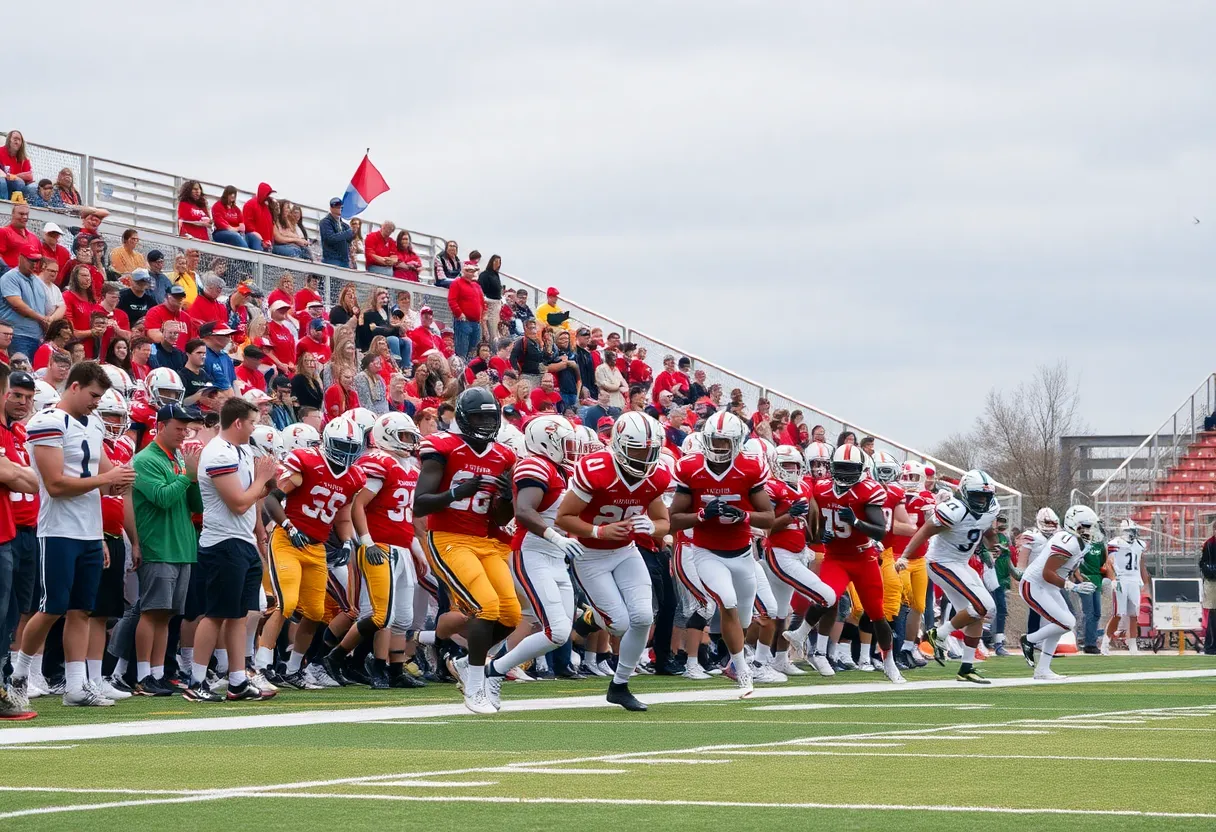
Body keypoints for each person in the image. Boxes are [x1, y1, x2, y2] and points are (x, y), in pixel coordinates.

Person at [9, 362, 136, 710]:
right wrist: (104, 481)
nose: (97, 403)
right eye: (93, 395)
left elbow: (106, 470)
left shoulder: (93, 423)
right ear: (75, 386)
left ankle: (77, 686)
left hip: (89, 529)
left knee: (82, 610)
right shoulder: (48, 422)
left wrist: (123, 476)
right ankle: (19, 675)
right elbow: (57, 484)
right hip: (58, 530)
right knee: (52, 608)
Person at [555, 412, 670, 712]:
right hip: (590, 553)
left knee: (644, 616)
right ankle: (589, 618)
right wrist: (599, 530)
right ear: (619, 445)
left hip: (625, 550)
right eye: (637, 450)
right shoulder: (596, 470)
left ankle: (620, 685)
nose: (644, 458)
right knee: (618, 624)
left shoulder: (654, 476)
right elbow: (563, 517)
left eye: (649, 451)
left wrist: (652, 527)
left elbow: (663, 521)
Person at [414, 388, 518, 715]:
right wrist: (458, 490)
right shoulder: (442, 447)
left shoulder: (504, 456)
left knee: (511, 614)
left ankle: (462, 662)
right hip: (448, 538)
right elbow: (420, 503)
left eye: (491, 417)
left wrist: (507, 498)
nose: (486, 423)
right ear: (463, 418)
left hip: (486, 541)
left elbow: (502, 517)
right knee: (484, 607)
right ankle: (475, 686)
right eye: (479, 417)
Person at [255, 415, 368, 689]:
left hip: (316, 547)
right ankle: (261, 666)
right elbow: (272, 499)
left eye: (352, 447)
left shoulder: (354, 476)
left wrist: (345, 542)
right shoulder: (305, 460)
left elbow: (342, 516)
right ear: (328, 441)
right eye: (342, 446)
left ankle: (294, 669)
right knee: (287, 603)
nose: (347, 454)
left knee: (316, 612)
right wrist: (289, 526)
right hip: (286, 540)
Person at [669, 411, 775, 697]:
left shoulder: (750, 467)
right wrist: (701, 515)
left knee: (742, 619)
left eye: (724, 443)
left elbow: (768, 517)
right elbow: (673, 519)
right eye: (714, 442)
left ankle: (732, 662)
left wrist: (744, 515)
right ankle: (743, 672)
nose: (717, 448)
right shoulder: (690, 468)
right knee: (725, 602)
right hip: (706, 552)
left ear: (737, 443)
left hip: (742, 555)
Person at [189, 397, 280, 701]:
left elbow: (254, 498)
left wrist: (268, 482)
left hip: (241, 541)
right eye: (253, 421)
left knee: (239, 614)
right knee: (215, 614)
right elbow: (239, 502)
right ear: (238, 422)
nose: (256, 427)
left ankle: (237, 679)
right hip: (222, 542)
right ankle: (196, 681)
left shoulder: (240, 450)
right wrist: (262, 479)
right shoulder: (217, 452)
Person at [809, 444, 905, 683]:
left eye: (850, 468)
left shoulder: (869, 491)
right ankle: (818, 651)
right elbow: (817, 529)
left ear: (861, 469)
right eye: (841, 467)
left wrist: (856, 522)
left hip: (864, 558)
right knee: (827, 598)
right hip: (836, 557)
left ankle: (889, 662)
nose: (844, 473)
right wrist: (823, 536)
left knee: (877, 614)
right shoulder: (821, 489)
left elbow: (881, 532)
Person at [129, 404, 203, 694]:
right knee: (151, 612)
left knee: (166, 614)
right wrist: (187, 477)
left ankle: (158, 673)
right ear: (160, 427)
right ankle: (143, 675)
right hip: (159, 544)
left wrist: (192, 477)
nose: (183, 433)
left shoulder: (180, 460)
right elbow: (161, 498)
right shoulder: (145, 459)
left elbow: (196, 507)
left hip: (182, 545)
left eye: (186, 428)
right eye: (178, 428)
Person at [900, 470, 1001, 684]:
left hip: (961, 563)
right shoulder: (953, 510)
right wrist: (905, 556)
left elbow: (986, 529)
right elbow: (924, 532)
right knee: (983, 604)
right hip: (940, 562)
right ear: (965, 493)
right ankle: (938, 634)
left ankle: (966, 668)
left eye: (985, 496)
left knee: (978, 612)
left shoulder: (991, 508)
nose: (982, 501)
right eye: (977, 496)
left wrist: (993, 544)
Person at [1018, 505, 1101, 681]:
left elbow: (1068, 567)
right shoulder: (1068, 542)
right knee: (1066, 621)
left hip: (1048, 587)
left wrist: (1081, 579)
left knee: (1066, 623)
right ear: (1073, 525)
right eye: (1086, 526)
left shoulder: (1079, 542)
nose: (1090, 530)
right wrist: (1073, 586)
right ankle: (1029, 640)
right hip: (1034, 585)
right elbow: (1047, 573)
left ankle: (1043, 670)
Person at [0, 364, 40, 718]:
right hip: (8, 532)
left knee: (17, 610)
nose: (22, 402)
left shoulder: (21, 432)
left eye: (29, 397)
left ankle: (11, 678)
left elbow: (25, 477)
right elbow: (13, 475)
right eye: (16, 395)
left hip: (23, 530)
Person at [1102, 519, 1150, 655]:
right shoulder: (1114, 544)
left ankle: (1133, 647)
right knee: (1118, 614)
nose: (1132, 533)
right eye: (1129, 531)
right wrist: (1112, 579)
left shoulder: (1140, 544)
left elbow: (1141, 563)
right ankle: (1105, 643)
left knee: (1134, 615)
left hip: (1134, 580)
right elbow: (1109, 563)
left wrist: (1144, 581)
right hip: (1121, 579)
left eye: (1133, 530)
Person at [0, 240, 49, 359]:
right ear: (20, 257)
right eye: (30, 260)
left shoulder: (38, 281)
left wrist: (48, 321)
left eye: (36, 261)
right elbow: (17, 305)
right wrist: (42, 319)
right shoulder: (10, 277)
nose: (34, 264)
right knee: (21, 373)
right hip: (17, 335)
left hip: (37, 337)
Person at [448, 262, 486, 360]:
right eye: (469, 270)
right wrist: (459, 313)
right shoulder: (456, 283)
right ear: (464, 271)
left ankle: (469, 370)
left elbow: (482, 303)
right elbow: (452, 300)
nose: (471, 273)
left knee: (473, 351)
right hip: (463, 322)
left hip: (476, 323)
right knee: (462, 351)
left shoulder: (477, 286)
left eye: (473, 271)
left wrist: (482, 317)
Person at [199, 322, 236, 392]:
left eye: (229, 335)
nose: (229, 338)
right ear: (208, 336)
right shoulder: (199, 354)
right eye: (225, 334)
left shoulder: (226, 357)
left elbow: (233, 382)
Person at [0, 130, 34, 202]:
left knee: (31, 187)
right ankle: (4, 205)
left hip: (15, 183)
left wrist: (15, 176)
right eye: (15, 139)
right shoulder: (1, 151)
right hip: (2, 180)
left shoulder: (24, 158)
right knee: (2, 182)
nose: (17, 142)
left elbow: (30, 175)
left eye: (19, 140)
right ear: (9, 140)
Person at [241, 182, 276, 252]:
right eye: (267, 194)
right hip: (255, 241)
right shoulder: (250, 204)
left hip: (267, 243)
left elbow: (269, 226)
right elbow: (248, 224)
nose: (268, 196)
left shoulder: (266, 208)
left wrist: (270, 241)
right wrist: (262, 240)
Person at [320, 198, 353, 268]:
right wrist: (347, 233)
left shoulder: (345, 225)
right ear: (331, 208)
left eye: (340, 207)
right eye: (337, 207)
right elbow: (330, 238)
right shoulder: (325, 222)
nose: (339, 208)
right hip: (331, 259)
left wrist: (353, 233)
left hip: (344, 260)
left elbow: (349, 240)